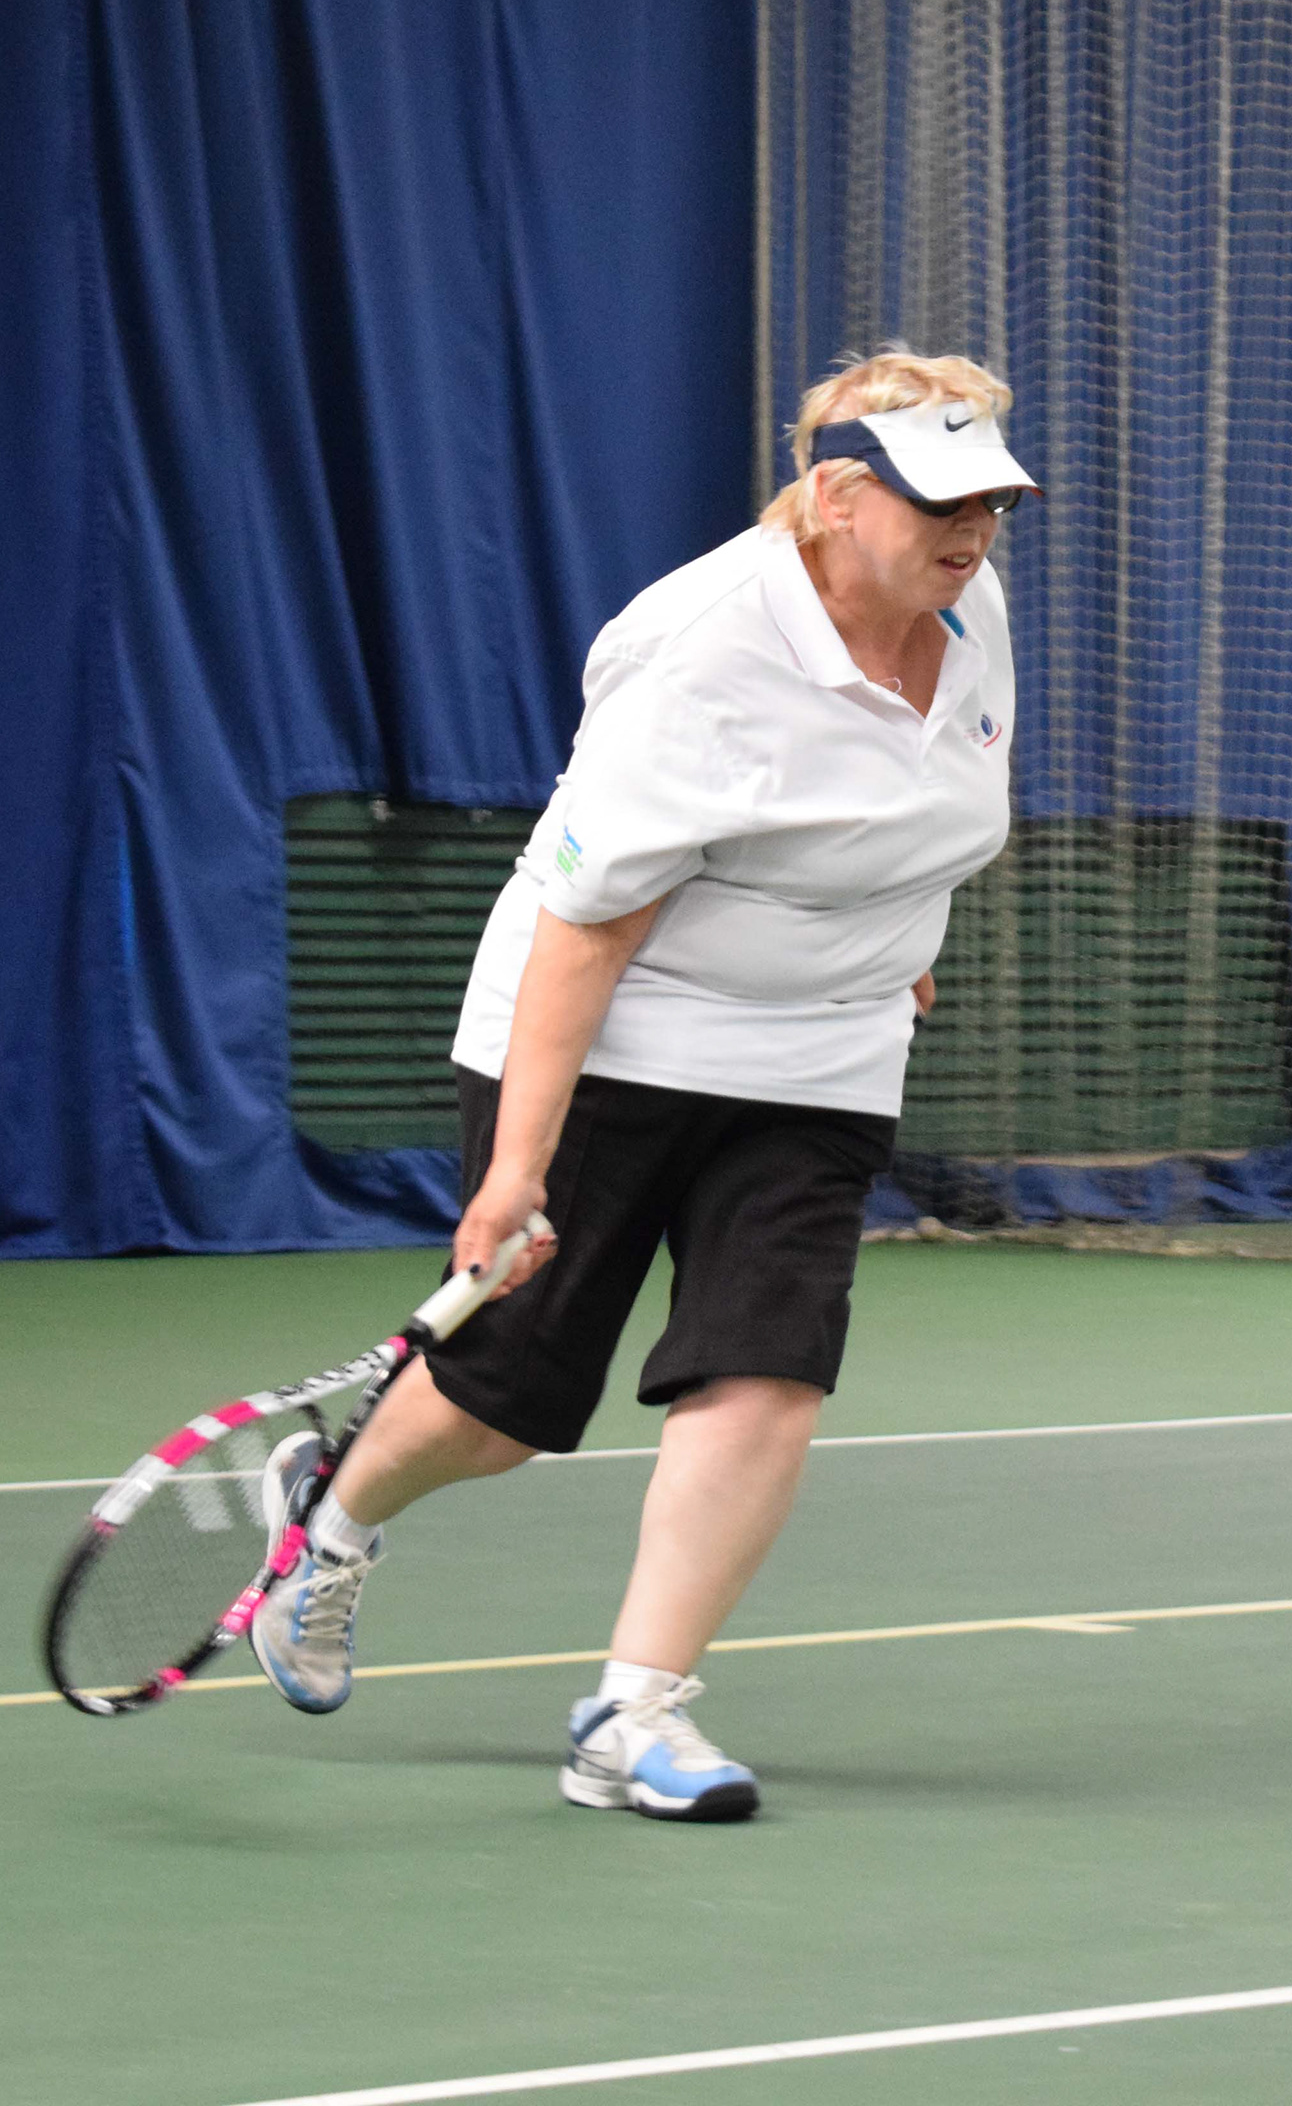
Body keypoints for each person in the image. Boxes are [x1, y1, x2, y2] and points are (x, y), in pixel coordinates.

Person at [249, 346, 1036, 1821]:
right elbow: (586, 926)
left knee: (768, 1369)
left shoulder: (964, 603)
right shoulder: (701, 653)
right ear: (835, 497)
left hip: (825, 1055)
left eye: (990, 500)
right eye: (941, 503)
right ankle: (331, 1514)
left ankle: (634, 1714)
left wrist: (900, 942)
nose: (974, 530)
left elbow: (924, 806)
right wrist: (514, 1173)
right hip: (616, 1033)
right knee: (505, 1403)